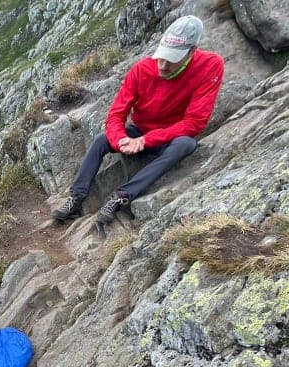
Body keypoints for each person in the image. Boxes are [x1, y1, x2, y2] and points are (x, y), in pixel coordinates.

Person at [51, 15, 224, 227]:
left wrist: (146, 140)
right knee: (100, 140)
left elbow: (194, 123)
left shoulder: (210, 66)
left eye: (171, 59)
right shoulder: (142, 70)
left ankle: (122, 196)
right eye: (161, 56)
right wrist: (121, 140)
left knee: (186, 144)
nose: (162, 65)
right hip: (139, 131)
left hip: (170, 137)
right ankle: (76, 199)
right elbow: (115, 115)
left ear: (191, 52)